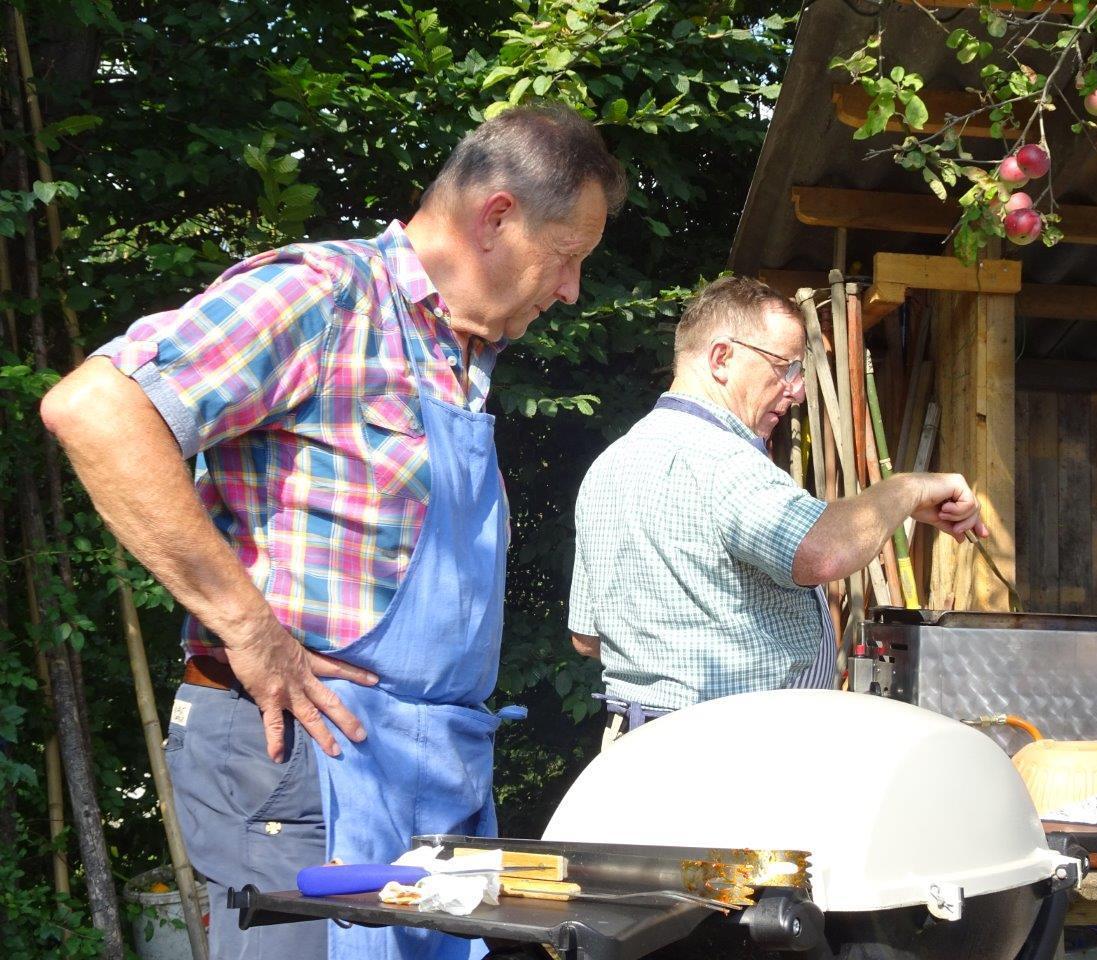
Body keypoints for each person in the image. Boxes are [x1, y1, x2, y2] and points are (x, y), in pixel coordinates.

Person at [41, 104, 626, 960]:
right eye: (567, 255)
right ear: (497, 216)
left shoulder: (458, 356)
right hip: (300, 760)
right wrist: (248, 628)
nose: (570, 288)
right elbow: (96, 409)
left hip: (425, 773)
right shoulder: (326, 295)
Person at [568, 276, 987, 748]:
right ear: (721, 358)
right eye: (786, 367)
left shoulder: (609, 465)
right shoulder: (723, 459)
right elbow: (823, 552)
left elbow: (588, 639)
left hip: (635, 748)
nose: (798, 391)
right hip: (726, 753)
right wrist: (910, 488)